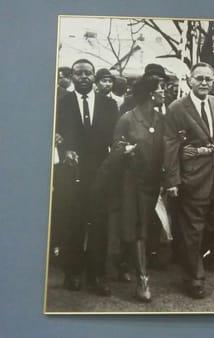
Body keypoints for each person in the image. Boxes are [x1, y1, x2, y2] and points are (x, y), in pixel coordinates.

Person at [163, 62, 214, 299]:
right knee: (193, 228)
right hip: (192, 178)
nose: (204, 83)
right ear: (189, 81)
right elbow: (170, 145)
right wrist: (172, 180)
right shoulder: (177, 108)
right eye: (199, 79)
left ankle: (193, 256)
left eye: (208, 79)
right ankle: (194, 277)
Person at [55, 59, 119, 296]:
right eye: (78, 73)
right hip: (71, 175)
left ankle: (97, 276)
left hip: (100, 175)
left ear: (94, 77)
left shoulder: (109, 105)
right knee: (74, 223)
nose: (83, 77)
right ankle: (72, 273)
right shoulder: (62, 103)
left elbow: (115, 139)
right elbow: (55, 134)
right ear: (72, 77)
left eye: (88, 73)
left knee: (99, 225)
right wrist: (63, 148)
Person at [109, 76, 166, 302]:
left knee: (144, 227)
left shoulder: (162, 118)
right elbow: (115, 148)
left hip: (153, 182)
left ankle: (124, 263)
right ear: (151, 94)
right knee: (138, 226)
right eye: (161, 89)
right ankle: (143, 280)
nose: (164, 92)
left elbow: (167, 145)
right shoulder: (127, 119)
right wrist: (125, 150)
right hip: (131, 181)